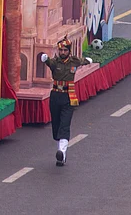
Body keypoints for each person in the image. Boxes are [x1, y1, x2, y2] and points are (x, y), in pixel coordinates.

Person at [40, 37, 93, 166]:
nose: (62, 52)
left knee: (65, 124)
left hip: (69, 97)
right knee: (56, 125)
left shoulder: (74, 61)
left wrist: (89, 61)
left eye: (65, 50)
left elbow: (83, 61)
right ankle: (61, 152)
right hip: (55, 96)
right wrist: (45, 58)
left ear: (69, 51)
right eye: (61, 50)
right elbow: (47, 62)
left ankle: (61, 152)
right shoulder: (55, 62)